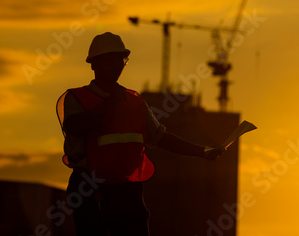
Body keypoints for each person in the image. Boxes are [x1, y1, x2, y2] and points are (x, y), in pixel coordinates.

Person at [56, 32, 224, 236]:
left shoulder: (135, 102)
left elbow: (161, 137)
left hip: (126, 189)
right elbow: (75, 127)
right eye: (110, 60)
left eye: (120, 59)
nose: (117, 65)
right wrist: (110, 102)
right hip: (89, 188)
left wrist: (202, 151)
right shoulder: (78, 98)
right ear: (94, 64)